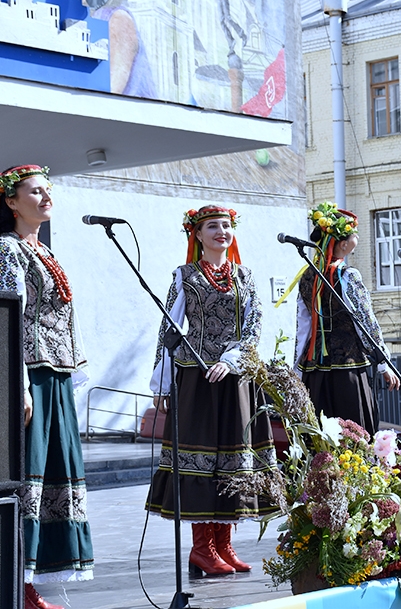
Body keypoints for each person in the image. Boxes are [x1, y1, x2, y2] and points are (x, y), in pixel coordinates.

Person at [0, 165, 93, 609]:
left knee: (55, 477)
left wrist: (73, 372)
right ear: (10, 202)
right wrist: (19, 383)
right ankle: (17, 587)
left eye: (49, 190)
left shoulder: (43, 252)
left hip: (56, 375)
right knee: (31, 477)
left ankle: (33, 584)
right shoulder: (4, 252)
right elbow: (4, 320)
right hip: (31, 376)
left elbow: (64, 318)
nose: (46, 197)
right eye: (35, 191)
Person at [145, 205, 276, 576]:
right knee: (202, 458)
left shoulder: (245, 276)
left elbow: (253, 328)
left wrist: (232, 361)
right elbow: (168, 329)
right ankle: (202, 548)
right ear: (197, 235)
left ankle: (224, 544)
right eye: (212, 226)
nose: (222, 231)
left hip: (235, 378)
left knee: (232, 459)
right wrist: (162, 382)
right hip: (196, 379)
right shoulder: (184, 275)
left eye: (226, 225)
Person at [290, 201, 400, 436]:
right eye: (354, 234)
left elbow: (303, 327)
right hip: (347, 366)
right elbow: (366, 321)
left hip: (315, 368)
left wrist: (298, 368)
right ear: (343, 243)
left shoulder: (306, 276)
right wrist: (383, 363)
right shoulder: (348, 275)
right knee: (352, 429)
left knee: (320, 430)